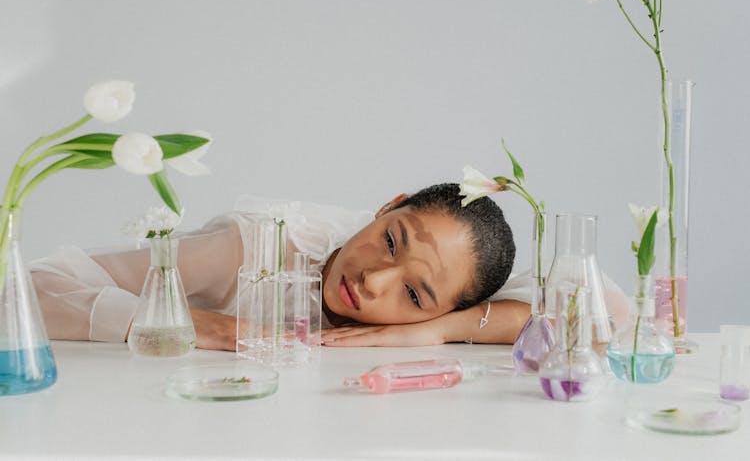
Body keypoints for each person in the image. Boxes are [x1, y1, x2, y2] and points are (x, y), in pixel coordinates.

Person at [31, 183, 624, 351]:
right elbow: (27, 289)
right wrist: (207, 326)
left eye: (415, 295)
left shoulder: (447, 312)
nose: (373, 279)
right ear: (387, 206)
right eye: (392, 241)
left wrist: (439, 330)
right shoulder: (255, 246)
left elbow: (608, 317)